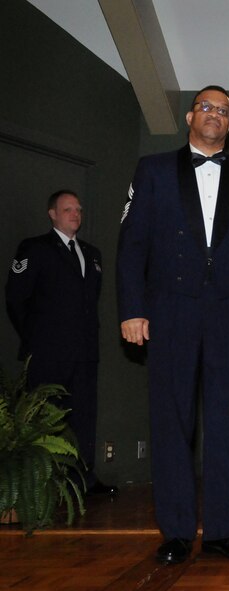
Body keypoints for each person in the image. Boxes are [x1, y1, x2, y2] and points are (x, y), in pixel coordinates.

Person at [117, 85, 229, 565]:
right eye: (206, 107)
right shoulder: (154, 170)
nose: (214, 115)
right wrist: (131, 309)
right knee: (172, 424)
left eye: (223, 111)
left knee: (228, 423)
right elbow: (132, 246)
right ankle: (176, 532)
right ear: (191, 116)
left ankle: (227, 530)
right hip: (170, 313)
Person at [6, 189, 116, 496]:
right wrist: (36, 338)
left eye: (78, 210)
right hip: (47, 353)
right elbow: (16, 298)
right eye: (68, 210)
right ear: (52, 214)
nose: (75, 215)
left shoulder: (92, 254)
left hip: (83, 353)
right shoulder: (35, 248)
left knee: (83, 416)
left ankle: (82, 479)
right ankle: (44, 483)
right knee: (45, 416)